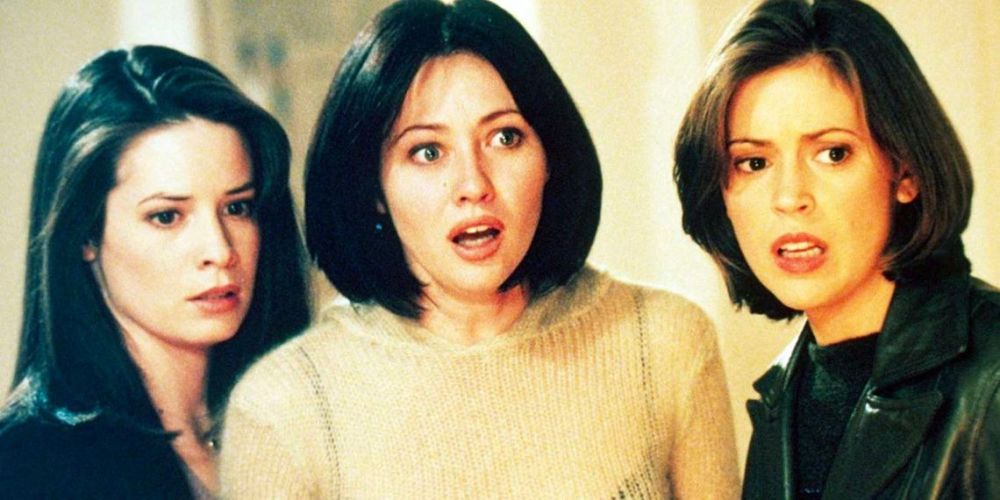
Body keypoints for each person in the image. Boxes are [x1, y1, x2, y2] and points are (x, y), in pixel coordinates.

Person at [220, 0, 740, 497]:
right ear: (372, 188)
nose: (473, 185)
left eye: (504, 138)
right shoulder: (285, 409)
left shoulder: (665, 344)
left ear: (551, 156)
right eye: (427, 152)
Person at [674, 0, 1000, 497]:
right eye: (753, 163)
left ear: (905, 171)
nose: (789, 198)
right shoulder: (783, 397)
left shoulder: (992, 379)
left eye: (832, 153)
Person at [0, 45, 310, 498]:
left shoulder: (289, 430)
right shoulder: (31, 464)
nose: (220, 250)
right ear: (85, 235)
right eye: (167, 216)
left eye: (237, 208)